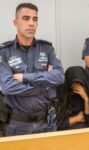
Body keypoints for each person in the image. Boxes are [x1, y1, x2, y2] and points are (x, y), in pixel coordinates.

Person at [0, 3, 64, 136]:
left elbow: (59, 77)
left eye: (35, 19)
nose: (31, 23)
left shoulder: (47, 49)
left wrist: (25, 78)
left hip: (47, 121)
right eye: (26, 18)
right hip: (18, 125)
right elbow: (7, 87)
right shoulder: (4, 52)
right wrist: (45, 85)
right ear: (15, 22)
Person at [56, 66, 89, 130]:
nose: (76, 86)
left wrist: (86, 99)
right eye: (74, 83)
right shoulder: (61, 94)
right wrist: (77, 118)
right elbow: (56, 125)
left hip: (84, 130)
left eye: (79, 83)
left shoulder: (87, 92)